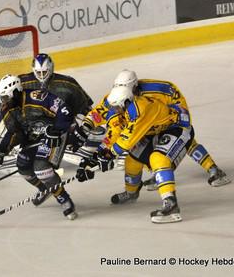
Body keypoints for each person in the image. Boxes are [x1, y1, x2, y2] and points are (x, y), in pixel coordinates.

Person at [77, 85, 193, 223]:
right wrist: (95, 156)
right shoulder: (122, 109)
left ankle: (171, 203)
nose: (114, 111)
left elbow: (126, 141)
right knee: (132, 161)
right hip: (154, 131)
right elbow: (114, 133)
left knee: (158, 158)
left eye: (116, 107)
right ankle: (131, 193)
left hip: (177, 127)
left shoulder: (141, 109)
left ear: (125, 103)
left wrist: (109, 155)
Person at [112, 70, 231, 188]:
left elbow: (171, 98)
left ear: (133, 86)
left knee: (183, 139)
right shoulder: (129, 96)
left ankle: (213, 169)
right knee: (156, 140)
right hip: (159, 114)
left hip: (176, 110)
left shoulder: (154, 90)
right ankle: (159, 172)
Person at [0, 74, 78, 220]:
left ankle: (64, 199)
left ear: (15, 93)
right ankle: (45, 189)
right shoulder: (7, 109)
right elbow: (15, 133)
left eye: (5, 98)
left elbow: (65, 110)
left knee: (41, 168)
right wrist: (1, 150)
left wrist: (57, 129)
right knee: (23, 165)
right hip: (34, 138)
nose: (3, 102)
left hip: (54, 136)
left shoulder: (37, 98)